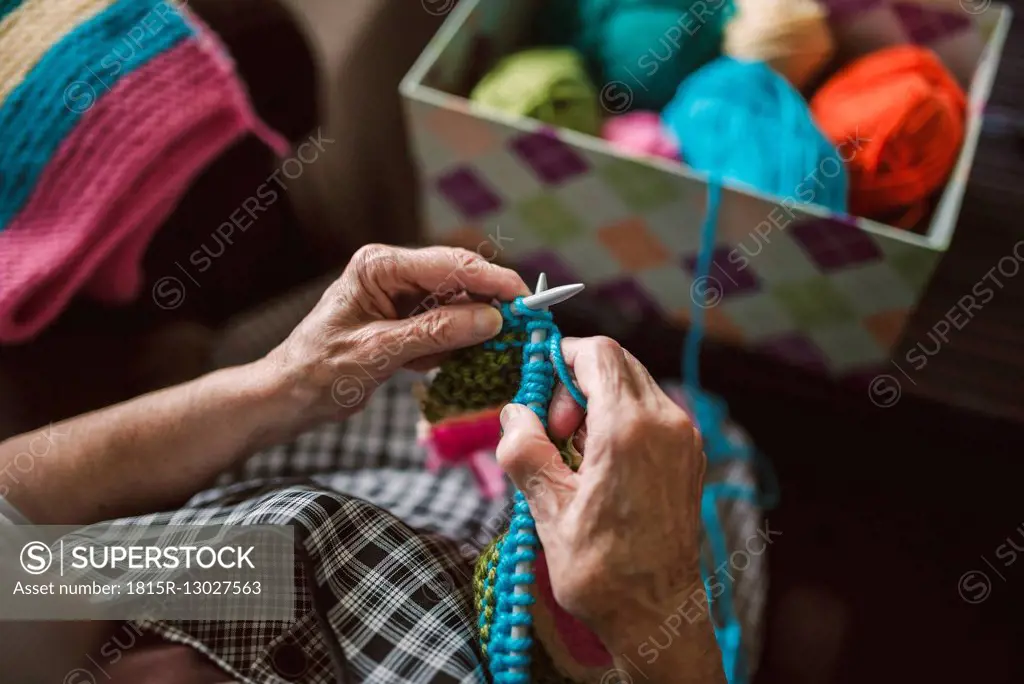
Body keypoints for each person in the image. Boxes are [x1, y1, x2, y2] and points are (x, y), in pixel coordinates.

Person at [0, 245, 724, 684]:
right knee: (719, 459)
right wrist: (661, 629)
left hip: (255, 530)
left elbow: (11, 508)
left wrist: (281, 385)